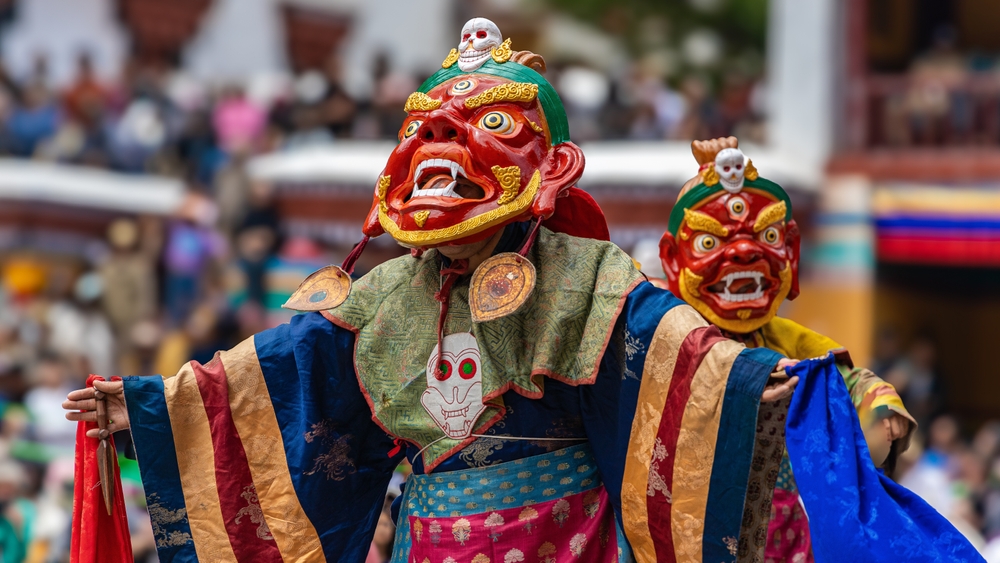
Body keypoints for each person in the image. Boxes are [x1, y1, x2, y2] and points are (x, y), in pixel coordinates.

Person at [62, 19, 804, 563]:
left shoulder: (590, 275)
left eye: (488, 124)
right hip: (427, 539)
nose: (440, 148)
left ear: (553, 165)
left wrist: (737, 380)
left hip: (562, 539)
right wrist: (151, 405)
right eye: (422, 130)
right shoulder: (382, 292)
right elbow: (278, 372)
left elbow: (667, 344)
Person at [657, 137, 916, 562]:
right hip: (695, 518)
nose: (745, 252)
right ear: (672, 259)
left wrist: (880, 404)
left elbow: (845, 377)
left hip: (784, 524)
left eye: (769, 236)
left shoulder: (786, 339)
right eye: (710, 242)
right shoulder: (666, 331)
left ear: (791, 252)